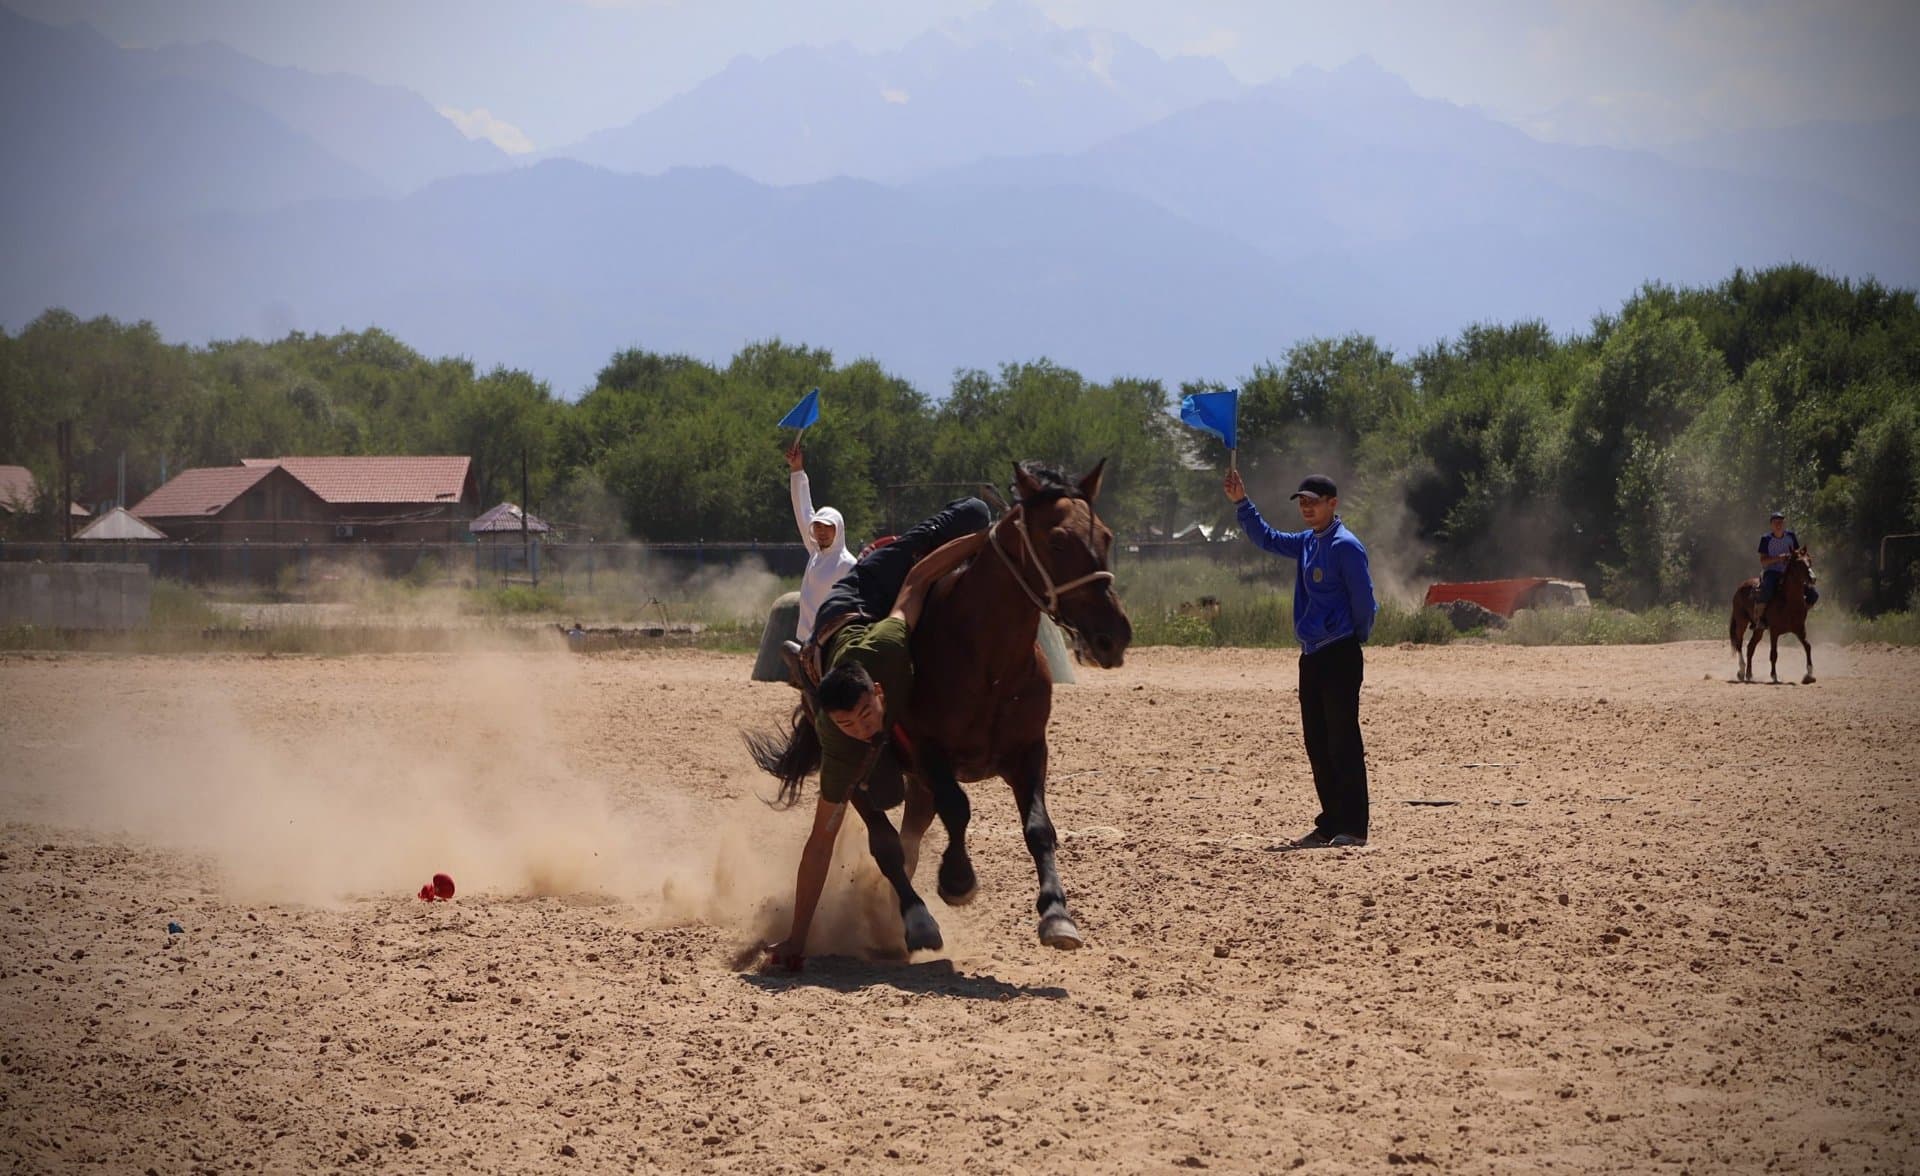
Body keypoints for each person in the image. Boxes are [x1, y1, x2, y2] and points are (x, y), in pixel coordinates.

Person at [766, 496, 992, 967]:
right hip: (842, 627)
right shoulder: (839, 743)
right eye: (849, 724)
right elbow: (819, 844)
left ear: (881, 693)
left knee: (974, 513)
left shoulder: (888, 647)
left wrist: (985, 540)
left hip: (866, 593)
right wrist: (796, 939)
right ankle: (809, 667)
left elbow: (914, 579)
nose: (863, 729)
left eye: (867, 716)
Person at [1223, 470, 1377, 848]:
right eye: (1302, 502)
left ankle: (1354, 827)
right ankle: (1329, 824)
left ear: (1332, 504)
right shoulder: (1308, 542)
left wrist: (1355, 637)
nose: (1307, 508)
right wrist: (1242, 503)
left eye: (1313, 501)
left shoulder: (1346, 546)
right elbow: (1268, 538)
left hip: (1339, 651)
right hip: (1310, 655)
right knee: (1317, 742)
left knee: (1343, 741)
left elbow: (1365, 601)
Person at [786, 443, 856, 645]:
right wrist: (797, 469)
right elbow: (803, 508)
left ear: (839, 529)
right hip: (805, 640)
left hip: (831, 642)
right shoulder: (816, 552)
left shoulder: (848, 564)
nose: (822, 532)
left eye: (828, 527)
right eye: (818, 527)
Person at [1752, 510, 1818, 627]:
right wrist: (1779, 558)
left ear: (1784, 524)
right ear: (1771, 525)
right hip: (1772, 571)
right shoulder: (1766, 539)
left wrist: (1804, 558)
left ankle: (1802, 613)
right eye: (1775, 522)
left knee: (1813, 594)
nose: (1778, 525)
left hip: (1790, 572)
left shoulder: (1791, 536)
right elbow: (1763, 561)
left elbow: (1798, 553)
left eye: (1781, 522)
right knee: (1767, 589)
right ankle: (1760, 618)